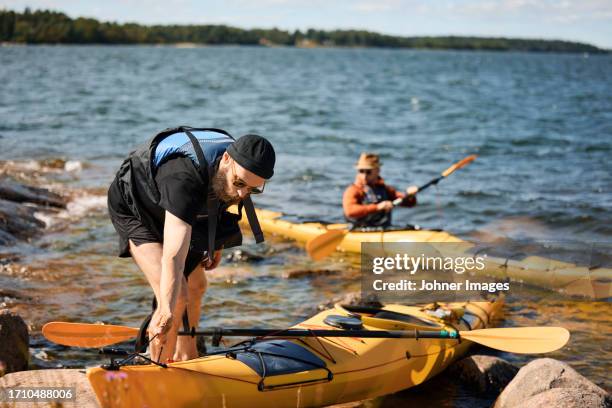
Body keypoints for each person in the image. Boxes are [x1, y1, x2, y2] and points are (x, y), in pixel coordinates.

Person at [107, 126, 275, 363]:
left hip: (178, 208)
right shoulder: (182, 176)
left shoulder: (234, 172)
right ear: (226, 158)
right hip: (136, 208)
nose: (242, 194)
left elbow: (223, 197)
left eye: (253, 189)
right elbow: (173, 259)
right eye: (239, 183)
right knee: (176, 299)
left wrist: (214, 243)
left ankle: (187, 354)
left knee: (196, 285)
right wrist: (165, 308)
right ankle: (159, 369)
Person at [342, 153, 417, 228]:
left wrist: (410, 195)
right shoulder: (353, 190)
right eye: (361, 171)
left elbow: (409, 203)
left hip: (383, 230)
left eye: (368, 171)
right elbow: (350, 211)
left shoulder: (385, 189)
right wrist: (377, 207)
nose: (364, 175)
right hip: (358, 231)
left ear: (377, 170)